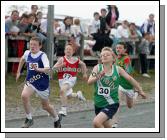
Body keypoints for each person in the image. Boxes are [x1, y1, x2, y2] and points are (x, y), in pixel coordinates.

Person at [87, 47, 146, 128]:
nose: (104, 56)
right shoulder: (97, 68)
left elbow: (130, 78)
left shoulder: (117, 69)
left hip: (112, 103)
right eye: (102, 55)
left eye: (107, 55)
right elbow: (89, 82)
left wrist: (140, 90)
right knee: (107, 127)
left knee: (96, 122)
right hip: (98, 104)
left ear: (113, 58)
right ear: (101, 58)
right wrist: (98, 76)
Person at [16, 37, 61, 128]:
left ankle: (56, 119)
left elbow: (47, 69)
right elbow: (22, 60)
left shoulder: (43, 55)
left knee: (45, 106)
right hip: (31, 81)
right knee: (24, 95)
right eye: (31, 44)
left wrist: (37, 69)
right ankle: (29, 119)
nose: (32, 46)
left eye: (35, 45)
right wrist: (18, 71)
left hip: (42, 83)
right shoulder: (27, 53)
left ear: (40, 46)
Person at [52, 44, 88, 116]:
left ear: (73, 52)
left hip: (71, 79)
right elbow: (53, 69)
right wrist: (61, 66)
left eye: (70, 49)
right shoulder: (61, 59)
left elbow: (83, 64)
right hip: (62, 80)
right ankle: (78, 95)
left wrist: (84, 74)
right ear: (64, 51)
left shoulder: (75, 60)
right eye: (67, 49)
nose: (68, 51)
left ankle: (64, 110)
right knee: (66, 96)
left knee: (62, 91)